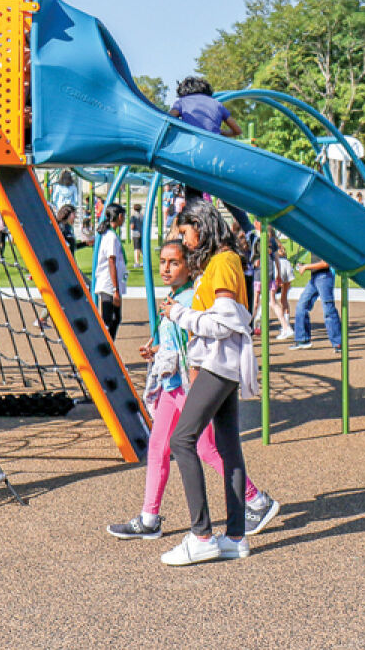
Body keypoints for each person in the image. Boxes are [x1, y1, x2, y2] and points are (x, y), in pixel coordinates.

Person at [107, 240, 278, 541]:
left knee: (204, 447)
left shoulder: (191, 299)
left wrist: (198, 387)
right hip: (170, 384)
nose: (165, 268)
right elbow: (177, 343)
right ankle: (150, 516)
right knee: (158, 447)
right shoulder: (175, 296)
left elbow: (196, 344)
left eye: (174, 262)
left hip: (188, 384)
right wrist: (158, 349)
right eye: (162, 261)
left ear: (189, 265)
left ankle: (255, 499)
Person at [158, 201, 260, 566]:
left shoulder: (223, 263)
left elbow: (224, 323)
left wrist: (179, 314)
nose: (183, 242)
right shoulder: (220, 264)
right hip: (224, 365)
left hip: (220, 366)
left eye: (186, 233)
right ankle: (235, 537)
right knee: (230, 448)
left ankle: (201, 535)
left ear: (202, 228)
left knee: (182, 440)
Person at [168, 77, 253, 233]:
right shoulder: (216, 104)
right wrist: (219, 132)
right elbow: (237, 130)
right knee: (225, 194)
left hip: (193, 156)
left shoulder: (182, 103)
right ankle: (248, 228)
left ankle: (200, 229)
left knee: (193, 197)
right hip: (215, 156)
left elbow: (169, 119)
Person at [289, 253, 341, 352]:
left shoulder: (324, 241)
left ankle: (338, 343)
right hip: (315, 277)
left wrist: (306, 266)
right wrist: (304, 266)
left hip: (324, 277)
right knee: (301, 306)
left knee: (328, 310)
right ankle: (302, 340)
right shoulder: (315, 243)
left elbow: (325, 264)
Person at [93, 203, 127, 339]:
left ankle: (109, 348)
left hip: (111, 284)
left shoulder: (111, 235)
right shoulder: (111, 237)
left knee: (115, 319)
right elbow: (111, 261)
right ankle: (105, 349)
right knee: (109, 320)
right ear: (119, 216)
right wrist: (115, 289)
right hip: (108, 284)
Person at [265, 227, 294, 339]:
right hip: (287, 266)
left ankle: (285, 326)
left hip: (279, 267)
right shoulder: (278, 242)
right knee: (283, 298)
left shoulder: (269, 242)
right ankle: (286, 324)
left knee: (271, 299)